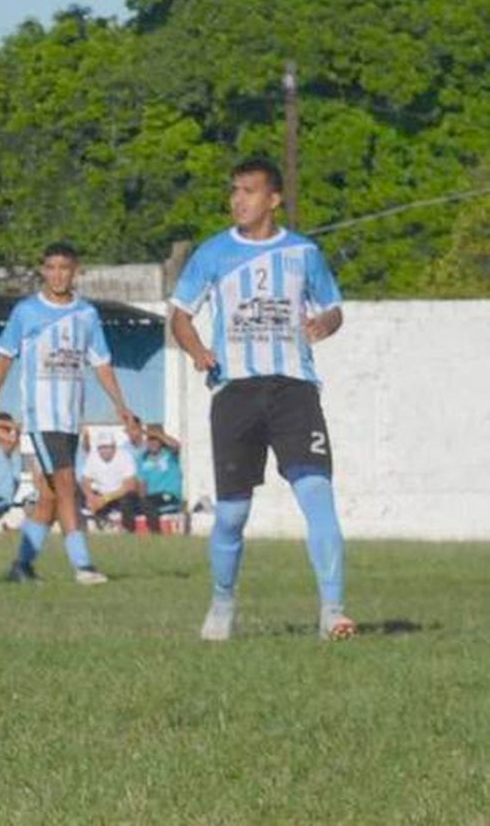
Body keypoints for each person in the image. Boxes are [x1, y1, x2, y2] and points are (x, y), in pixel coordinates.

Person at [171, 155, 355, 642]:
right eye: (233, 191)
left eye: (248, 191)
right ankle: (222, 603)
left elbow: (333, 308)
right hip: (235, 392)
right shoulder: (212, 253)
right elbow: (180, 316)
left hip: (294, 388)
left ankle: (333, 611)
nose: (238, 200)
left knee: (317, 494)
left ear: (273, 199)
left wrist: (323, 324)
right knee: (232, 513)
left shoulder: (304, 253)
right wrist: (197, 351)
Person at [0, 242, 140, 585]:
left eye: (64, 268)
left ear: (75, 270)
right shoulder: (26, 312)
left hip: (69, 418)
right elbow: (4, 356)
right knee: (67, 485)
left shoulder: (87, 315)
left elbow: (102, 363)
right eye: (50, 268)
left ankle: (21, 566)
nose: (57, 275)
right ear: (43, 271)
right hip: (41, 417)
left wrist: (121, 406)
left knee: (51, 498)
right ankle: (83, 566)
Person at [81, 427, 140, 533]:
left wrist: (105, 499)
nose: (104, 450)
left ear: (114, 447)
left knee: (129, 498)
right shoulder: (93, 457)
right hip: (100, 494)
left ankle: (127, 529)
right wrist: (90, 497)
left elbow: (130, 485)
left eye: (107, 447)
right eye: (101, 447)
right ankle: (85, 527)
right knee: (76, 495)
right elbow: (85, 480)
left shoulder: (125, 456)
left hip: (119, 495)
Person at [134, 423, 184, 535]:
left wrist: (158, 434)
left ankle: (156, 533)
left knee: (149, 502)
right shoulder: (142, 459)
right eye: (150, 439)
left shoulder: (170, 454)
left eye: (156, 439)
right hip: (151, 501)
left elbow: (176, 445)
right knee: (133, 501)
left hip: (169, 496)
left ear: (161, 440)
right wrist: (140, 502)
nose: (152, 443)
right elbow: (142, 485)